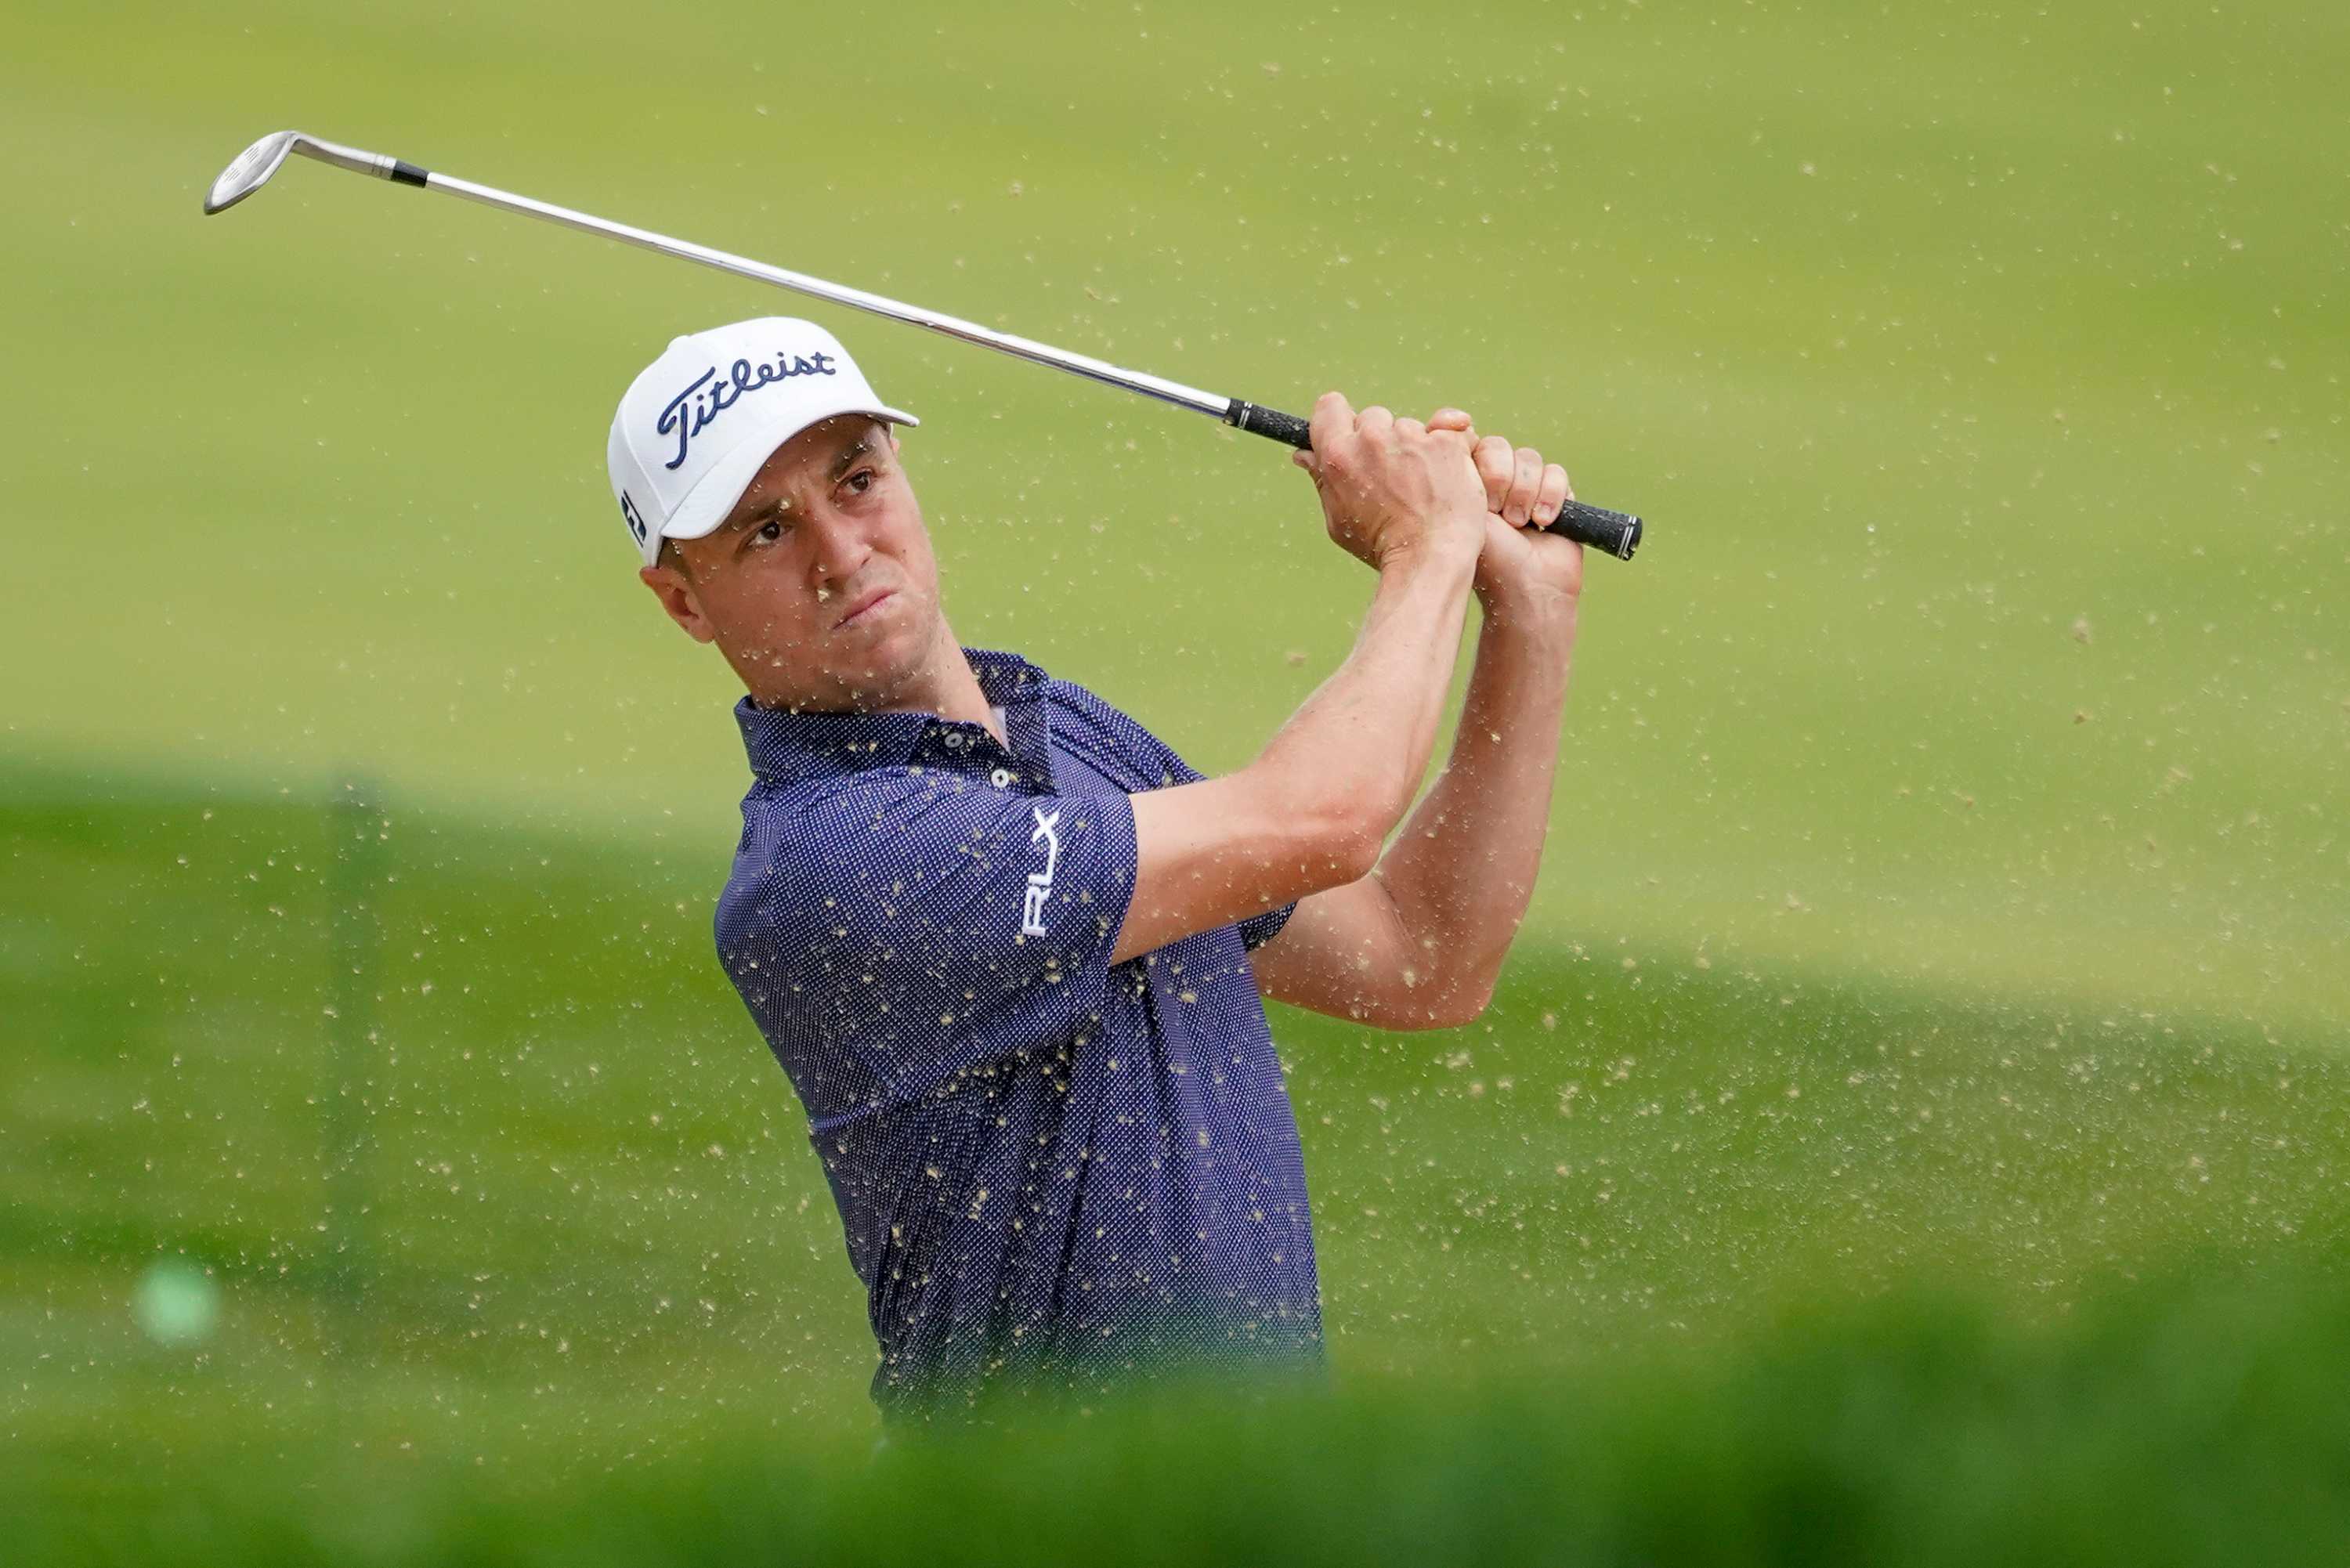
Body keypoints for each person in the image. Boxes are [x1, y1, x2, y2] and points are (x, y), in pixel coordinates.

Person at [606, 316, 1583, 1427]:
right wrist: (1427, 547)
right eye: (768, 531)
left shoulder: (1064, 735)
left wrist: (1530, 610)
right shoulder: (832, 862)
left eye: (857, 480)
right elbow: (1325, 816)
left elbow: (1418, 955)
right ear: (684, 600)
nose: (840, 553)